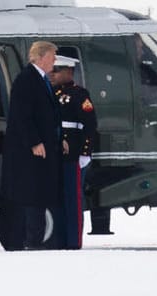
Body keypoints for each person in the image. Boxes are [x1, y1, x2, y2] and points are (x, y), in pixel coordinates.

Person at [0, 40, 62, 250]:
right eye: (52, 56)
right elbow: (21, 116)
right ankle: (29, 240)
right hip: (29, 153)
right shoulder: (27, 80)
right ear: (41, 57)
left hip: (43, 150)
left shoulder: (41, 79)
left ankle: (34, 239)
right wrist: (34, 142)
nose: (54, 61)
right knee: (31, 196)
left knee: (39, 194)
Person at [50, 55, 98, 249]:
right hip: (55, 153)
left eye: (57, 71)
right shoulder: (50, 93)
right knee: (56, 198)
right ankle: (58, 239)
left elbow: (89, 125)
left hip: (73, 154)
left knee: (72, 198)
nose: (52, 74)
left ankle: (73, 241)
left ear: (68, 72)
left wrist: (85, 152)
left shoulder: (79, 95)